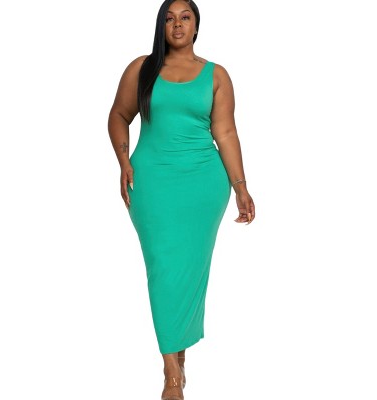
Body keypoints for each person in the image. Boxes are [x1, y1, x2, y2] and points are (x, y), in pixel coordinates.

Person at [108, 0, 255, 398]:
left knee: (189, 271)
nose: (177, 24)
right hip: (151, 183)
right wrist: (123, 160)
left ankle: (178, 355)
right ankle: (172, 371)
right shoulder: (142, 68)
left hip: (203, 186)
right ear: (161, 26)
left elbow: (225, 132)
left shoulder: (216, 75)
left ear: (196, 27)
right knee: (163, 268)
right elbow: (119, 115)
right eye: (169, 18)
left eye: (185, 17)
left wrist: (240, 186)